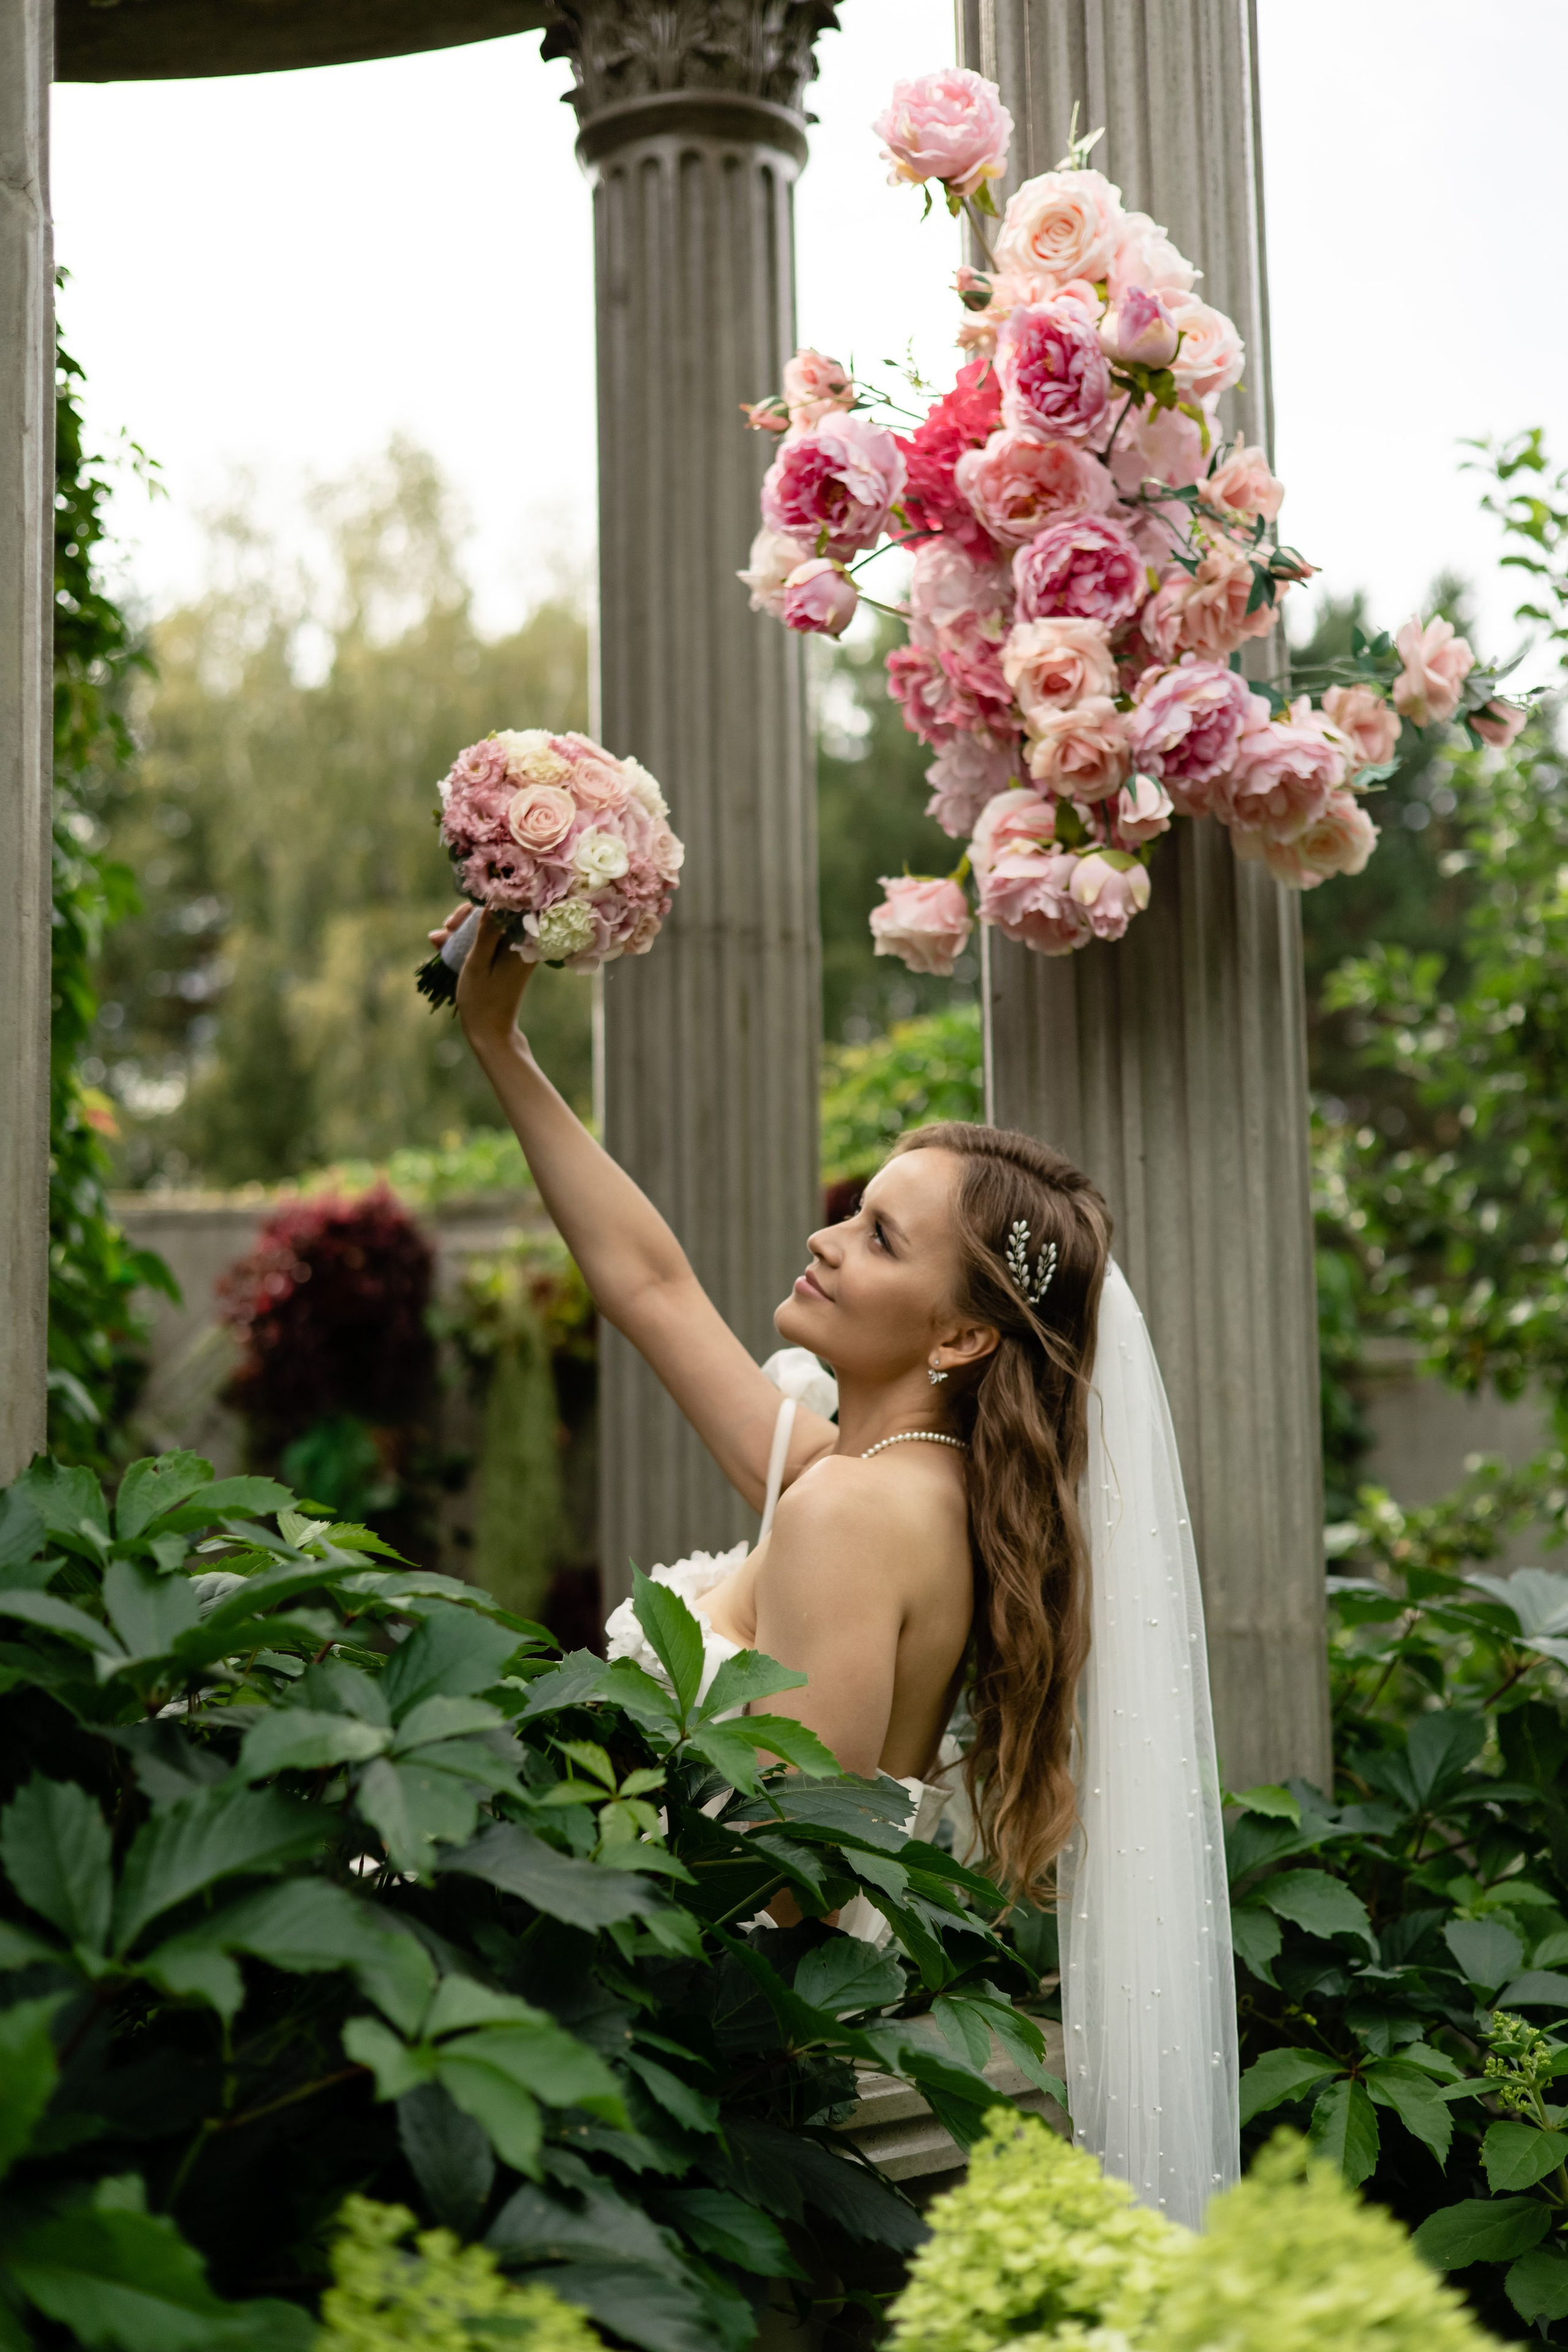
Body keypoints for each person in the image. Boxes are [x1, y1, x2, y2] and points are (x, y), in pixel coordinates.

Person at [431, 903, 1239, 2227]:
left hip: (729, 2073)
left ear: (964, 1338)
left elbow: (791, 1875)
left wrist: (530, 1866)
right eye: (851, 1213)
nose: (826, 1237)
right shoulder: (891, 1488)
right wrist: (499, 1039)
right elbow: (647, 1286)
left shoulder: (849, 1514)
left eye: (876, 1236)